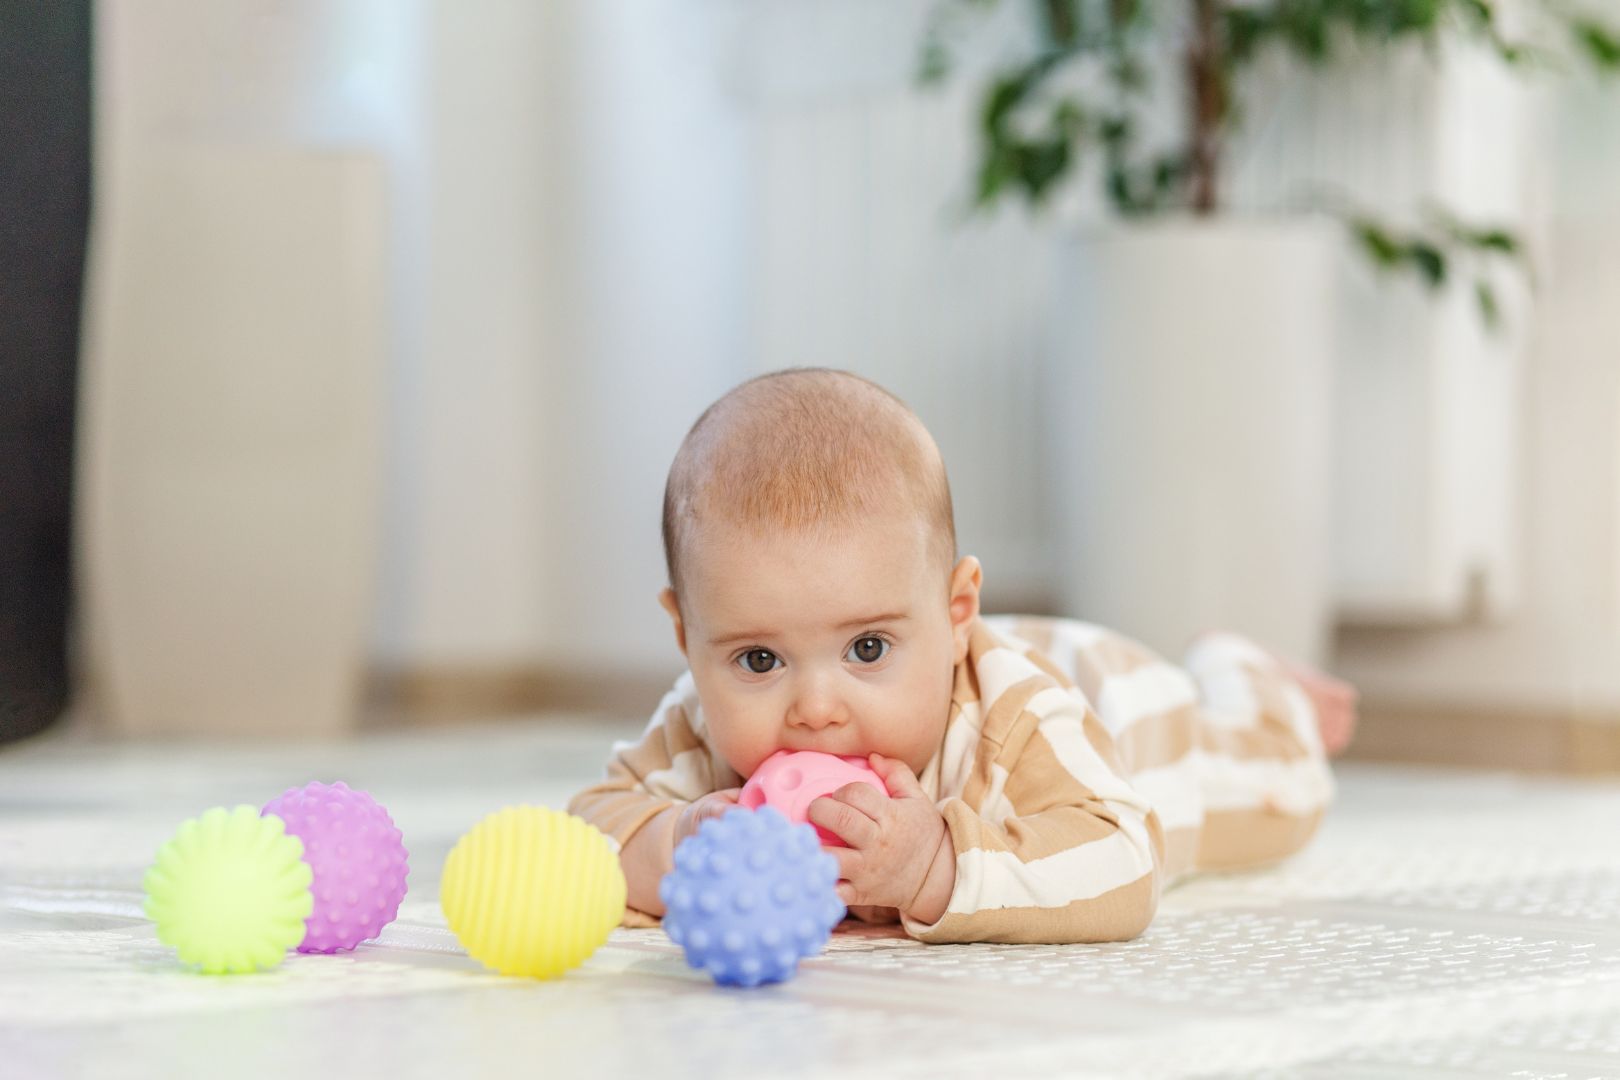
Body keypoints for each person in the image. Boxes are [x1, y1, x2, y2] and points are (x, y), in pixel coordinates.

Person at [566, 368, 1356, 944]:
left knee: (1287, 791)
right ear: (687, 636)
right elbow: (589, 832)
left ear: (956, 614)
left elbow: (1127, 862)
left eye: (866, 647)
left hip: (1127, 713)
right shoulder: (698, 725)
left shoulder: (1017, 721)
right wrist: (672, 846)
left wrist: (938, 866)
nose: (815, 709)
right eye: (759, 661)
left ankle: (1243, 673)